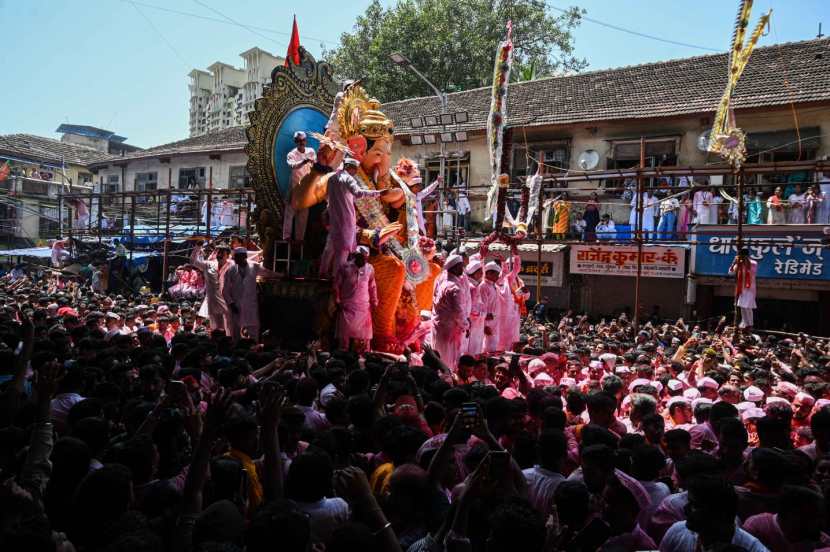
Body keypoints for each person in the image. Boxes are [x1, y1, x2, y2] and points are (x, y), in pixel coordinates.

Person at [319, 157, 385, 278]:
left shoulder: (332, 178)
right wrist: (378, 193)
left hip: (334, 220)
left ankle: (322, 274)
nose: (355, 172)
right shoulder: (348, 178)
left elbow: (328, 197)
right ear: (351, 168)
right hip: (345, 221)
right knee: (342, 251)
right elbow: (358, 193)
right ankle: (336, 278)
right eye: (355, 170)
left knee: (330, 248)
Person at [222, 246, 279, 341]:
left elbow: (268, 273)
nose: (234, 259)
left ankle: (253, 349)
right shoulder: (231, 270)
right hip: (236, 305)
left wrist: (281, 275)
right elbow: (225, 291)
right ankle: (237, 349)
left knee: (253, 330)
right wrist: (231, 304)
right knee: (235, 332)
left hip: (250, 304)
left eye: (236, 257)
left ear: (243, 256)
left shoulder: (254, 266)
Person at [334, 246, 377, 352]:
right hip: (347, 306)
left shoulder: (370, 268)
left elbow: (372, 286)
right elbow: (336, 285)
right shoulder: (345, 267)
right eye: (361, 257)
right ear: (355, 256)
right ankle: (342, 357)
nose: (363, 260)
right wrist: (337, 299)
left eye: (365, 258)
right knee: (344, 337)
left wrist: (374, 300)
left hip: (364, 307)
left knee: (364, 338)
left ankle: (363, 358)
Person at [431, 254, 469, 371]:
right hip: (449, 331)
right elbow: (458, 313)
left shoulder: (441, 282)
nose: (462, 269)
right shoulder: (454, 288)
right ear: (455, 268)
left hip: (439, 327)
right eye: (461, 266)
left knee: (437, 357)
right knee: (447, 362)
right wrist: (466, 325)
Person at [283, 131, 317, 242]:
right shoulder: (291, 154)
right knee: (289, 213)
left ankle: (300, 239)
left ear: (306, 140)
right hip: (294, 188)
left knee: (303, 215)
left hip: (306, 189)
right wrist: (304, 161)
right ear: (295, 142)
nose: (301, 143)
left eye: (303, 140)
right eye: (299, 141)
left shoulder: (311, 151)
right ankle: (287, 237)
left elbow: (315, 165)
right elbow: (293, 165)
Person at [190, 241, 231, 333]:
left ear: (228, 255)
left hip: (229, 302)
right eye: (218, 252)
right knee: (216, 329)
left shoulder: (233, 266)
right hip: (213, 302)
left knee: (229, 329)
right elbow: (193, 261)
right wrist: (198, 246)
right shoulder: (208, 264)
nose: (219, 255)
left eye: (222, 253)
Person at [729, 247, 757, 330]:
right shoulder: (738, 264)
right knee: (742, 306)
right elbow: (730, 272)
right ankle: (745, 323)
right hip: (741, 289)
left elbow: (752, 271)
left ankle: (750, 324)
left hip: (750, 288)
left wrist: (743, 262)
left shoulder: (753, 263)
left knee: (747, 306)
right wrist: (734, 263)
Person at [479, 261, 502, 353]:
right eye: (496, 274)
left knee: (493, 345)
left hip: (495, 320)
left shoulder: (494, 286)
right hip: (487, 321)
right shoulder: (483, 286)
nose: (498, 277)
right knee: (486, 346)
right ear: (488, 273)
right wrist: (485, 325)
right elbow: (482, 306)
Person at [465, 260, 485, 356]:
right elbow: (473, 310)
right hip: (473, 323)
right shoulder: (472, 287)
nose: (482, 274)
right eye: (480, 271)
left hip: (476, 323)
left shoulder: (473, 285)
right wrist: (483, 314)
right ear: (475, 273)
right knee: (471, 350)